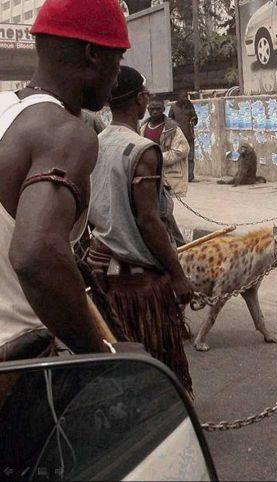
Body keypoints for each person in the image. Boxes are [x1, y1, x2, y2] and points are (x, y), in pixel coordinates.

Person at [0, 0, 130, 360]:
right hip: (18, 365)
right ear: (92, 55)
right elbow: (35, 255)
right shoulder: (65, 133)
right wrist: (101, 356)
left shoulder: (5, 110)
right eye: (117, 59)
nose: (118, 75)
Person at [87, 66, 195, 395]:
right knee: (154, 358)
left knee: (118, 360)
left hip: (100, 267)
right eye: (147, 95)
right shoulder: (141, 149)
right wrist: (178, 275)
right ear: (141, 99)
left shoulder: (96, 142)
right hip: (137, 281)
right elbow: (149, 220)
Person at [141, 97, 191, 196]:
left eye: (158, 109)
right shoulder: (142, 128)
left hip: (166, 176)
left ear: (164, 109)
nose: (155, 112)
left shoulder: (173, 129)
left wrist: (157, 157)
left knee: (165, 207)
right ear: (148, 110)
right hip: (147, 175)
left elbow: (182, 150)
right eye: (152, 109)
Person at [169, 92, 199, 182]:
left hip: (189, 135)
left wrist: (193, 120)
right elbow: (169, 121)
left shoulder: (189, 106)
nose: (185, 98)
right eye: (183, 96)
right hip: (177, 137)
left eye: (186, 96)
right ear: (178, 98)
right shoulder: (173, 107)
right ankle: (180, 176)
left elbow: (196, 119)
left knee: (190, 157)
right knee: (179, 157)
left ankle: (190, 177)